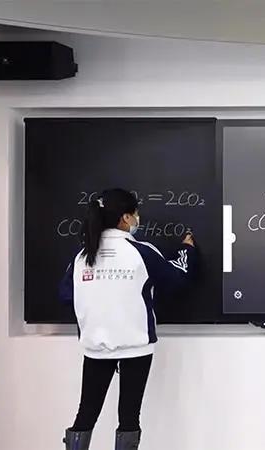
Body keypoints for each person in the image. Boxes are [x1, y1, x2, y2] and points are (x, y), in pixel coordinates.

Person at [58, 188, 197, 450]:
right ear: (125, 217)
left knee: (86, 413)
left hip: (95, 345)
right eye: (135, 214)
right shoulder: (140, 252)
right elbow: (177, 278)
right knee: (129, 417)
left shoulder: (82, 256)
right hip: (135, 346)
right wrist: (186, 250)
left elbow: (66, 296)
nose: (137, 219)